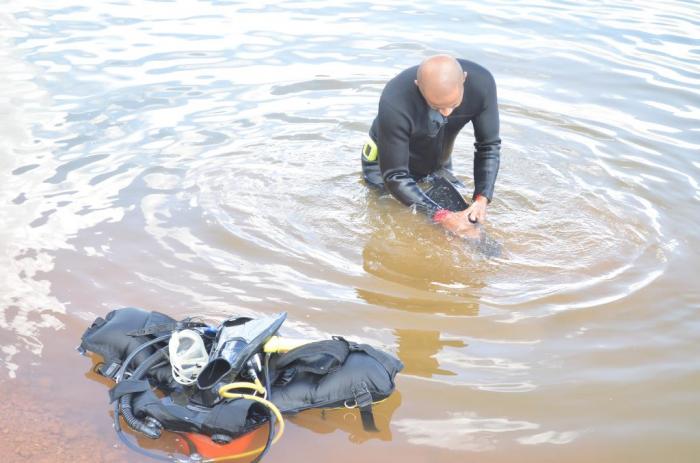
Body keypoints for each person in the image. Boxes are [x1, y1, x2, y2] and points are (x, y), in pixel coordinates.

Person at [361, 54, 501, 238]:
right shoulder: (395, 99)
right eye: (436, 106)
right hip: (384, 166)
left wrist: (481, 199)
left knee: (471, 230)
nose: (447, 113)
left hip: (437, 161)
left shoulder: (482, 85)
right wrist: (443, 216)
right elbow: (395, 175)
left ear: (464, 80)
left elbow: (488, 146)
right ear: (418, 86)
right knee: (394, 223)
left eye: (453, 104)